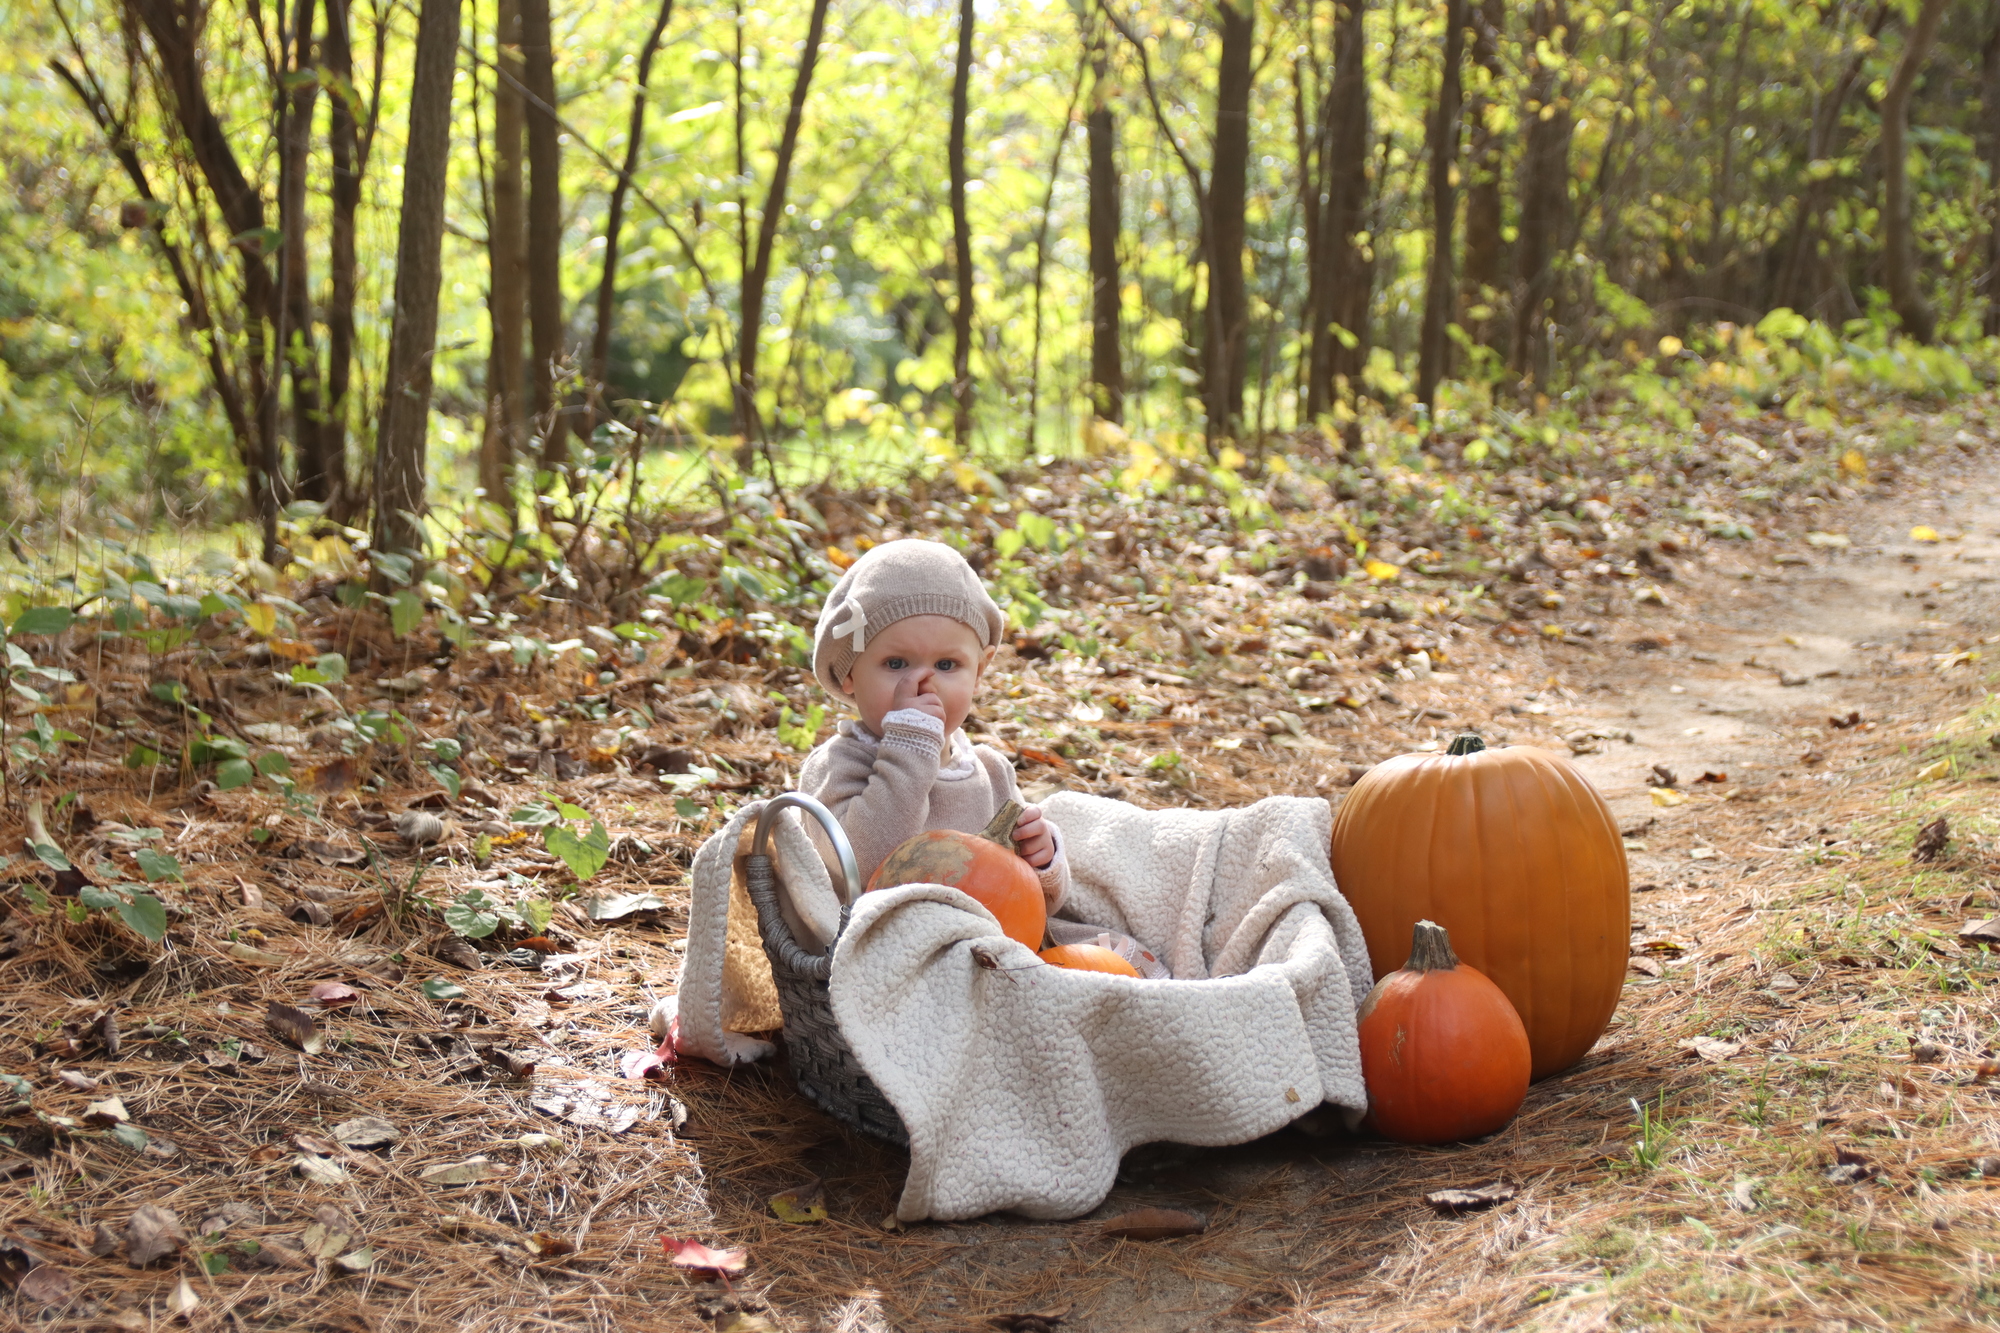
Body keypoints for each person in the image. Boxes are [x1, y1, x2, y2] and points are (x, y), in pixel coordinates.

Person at [801, 539, 1166, 976]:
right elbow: (868, 867)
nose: (923, 683)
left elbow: (1036, 903)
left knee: (1115, 956)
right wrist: (910, 748)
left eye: (947, 665)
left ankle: (1171, 1007)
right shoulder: (839, 766)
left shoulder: (989, 771)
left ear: (981, 669)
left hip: (1002, 951)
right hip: (902, 959)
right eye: (896, 663)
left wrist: (1043, 859)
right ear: (848, 675)